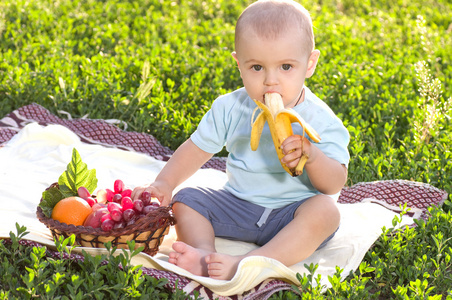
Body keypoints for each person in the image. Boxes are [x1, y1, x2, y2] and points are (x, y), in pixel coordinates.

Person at [132, 0, 350, 281]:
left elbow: (334, 183)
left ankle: (250, 263)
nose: (271, 82)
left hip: (291, 213)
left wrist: (314, 157)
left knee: (326, 212)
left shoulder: (322, 120)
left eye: (286, 67)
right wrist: (165, 182)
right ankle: (203, 255)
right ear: (239, 64)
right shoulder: (230, 107)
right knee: (186, 199)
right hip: (238, 204)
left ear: (309, 64)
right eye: (257, 68)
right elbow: (197, 148)